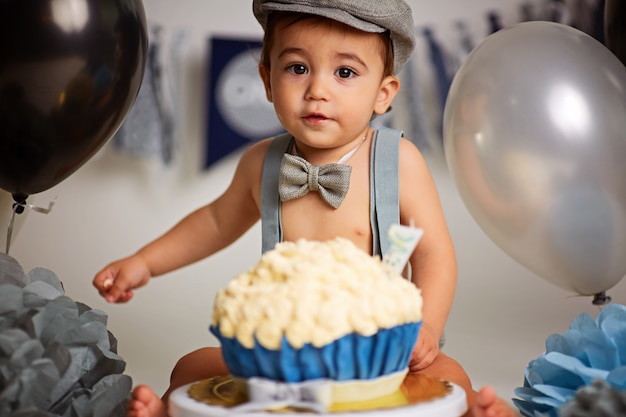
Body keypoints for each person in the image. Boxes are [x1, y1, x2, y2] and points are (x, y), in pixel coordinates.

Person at [93, 1, 517, 416]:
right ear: (266, 79)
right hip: (283, 351)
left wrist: (427, 327)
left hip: (378, 351)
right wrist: (145, 262)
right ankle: (168, 413)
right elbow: (215, 221)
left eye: (345, 73)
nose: (317, 90)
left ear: (383, 94)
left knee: (452, 377)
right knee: (191, 367)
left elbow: (432, 252)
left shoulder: (398, 161)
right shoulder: (262, 163)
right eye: (297, 68)